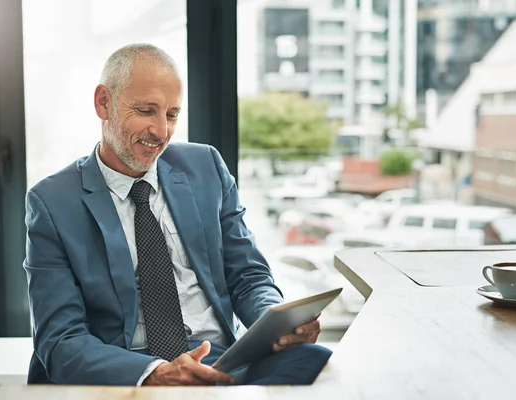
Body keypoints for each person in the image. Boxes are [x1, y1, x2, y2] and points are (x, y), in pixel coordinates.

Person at [24, 43, 332, 386]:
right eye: (145, 111)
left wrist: (274, 323)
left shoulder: (207, 167)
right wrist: (154, 374)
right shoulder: (52, 202)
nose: (161, 131)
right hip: (128, 373)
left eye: (171, 115)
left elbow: (249, 277)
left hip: (219, 361)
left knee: (317, 362)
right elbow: (61, 340)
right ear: (103, 103)